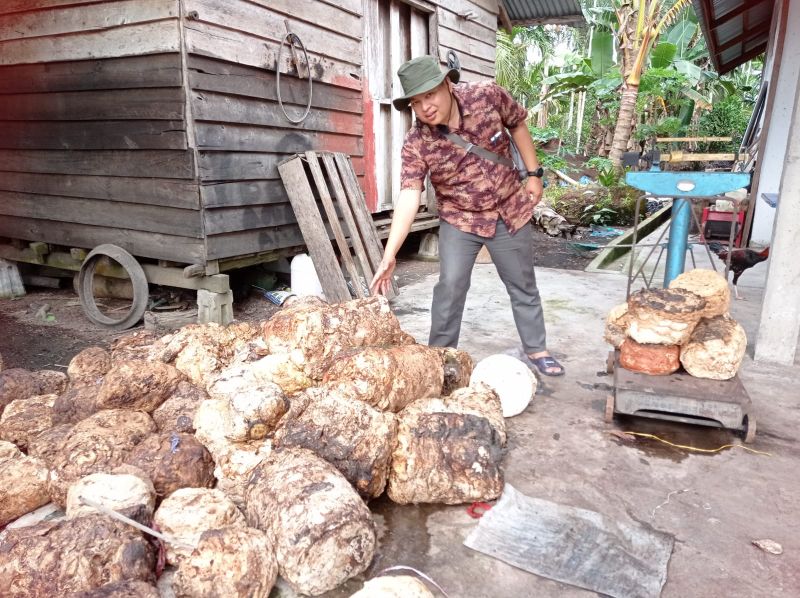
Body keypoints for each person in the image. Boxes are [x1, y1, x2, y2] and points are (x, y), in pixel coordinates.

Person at [369, 55, 564, 376]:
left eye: (430, 95)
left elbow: (516, 123)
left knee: (523, 284)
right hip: (460, 220)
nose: (425, 107)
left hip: (508, 210)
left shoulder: (487, 96)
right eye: (416, 102)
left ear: (447, 83)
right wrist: (390, 254)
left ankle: (537, 349)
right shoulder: (418, 142)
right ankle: (440, 357)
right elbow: (408, 194)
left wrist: (534, 173)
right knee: (450, 287)